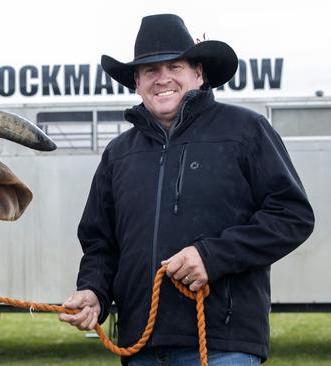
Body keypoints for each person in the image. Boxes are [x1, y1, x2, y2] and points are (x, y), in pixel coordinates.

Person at [58, 14, 315, 365]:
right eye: (150, 70)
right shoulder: (119, 154)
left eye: (174, 66)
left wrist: (211, 256)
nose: (162, 78)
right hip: (141, 345)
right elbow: (100, 242)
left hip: (223, 344)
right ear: (136, 82)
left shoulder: (245, 130)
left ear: (198, 73)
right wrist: (94, 292)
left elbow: (292, 216)